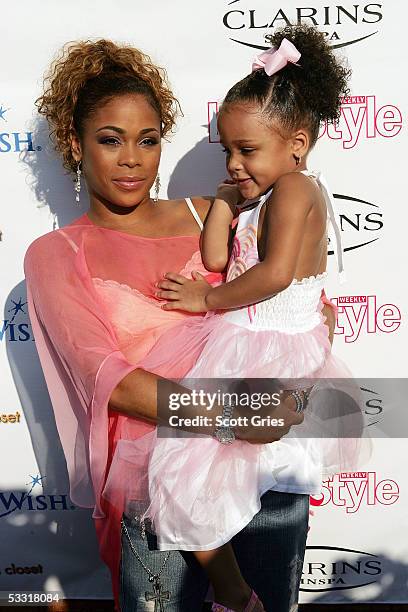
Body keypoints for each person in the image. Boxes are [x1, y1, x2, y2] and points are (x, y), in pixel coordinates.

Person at [24, 37, 337, 612]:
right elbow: (111, 380)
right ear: (75, 143)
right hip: (156, 488)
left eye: (147, 140)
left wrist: (297, 384)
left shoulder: (219, 209)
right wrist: (238, 417)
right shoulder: (57, 254)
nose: (131, 159)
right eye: (110, 140)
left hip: (267, 472)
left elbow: (302, 307)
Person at [100, 25, 366, 612]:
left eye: (247, 151)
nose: (235, 162)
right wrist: (225, 198)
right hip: (238, 343)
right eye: (227, 150)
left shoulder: (297, 188)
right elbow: (220, 257)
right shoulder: (259, 197)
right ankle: (234, 592)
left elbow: (271, 275)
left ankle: (238, 592)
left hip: (269, 352)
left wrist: (205, 301)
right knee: (180, 477)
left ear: (297, 144)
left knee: (224, 479)